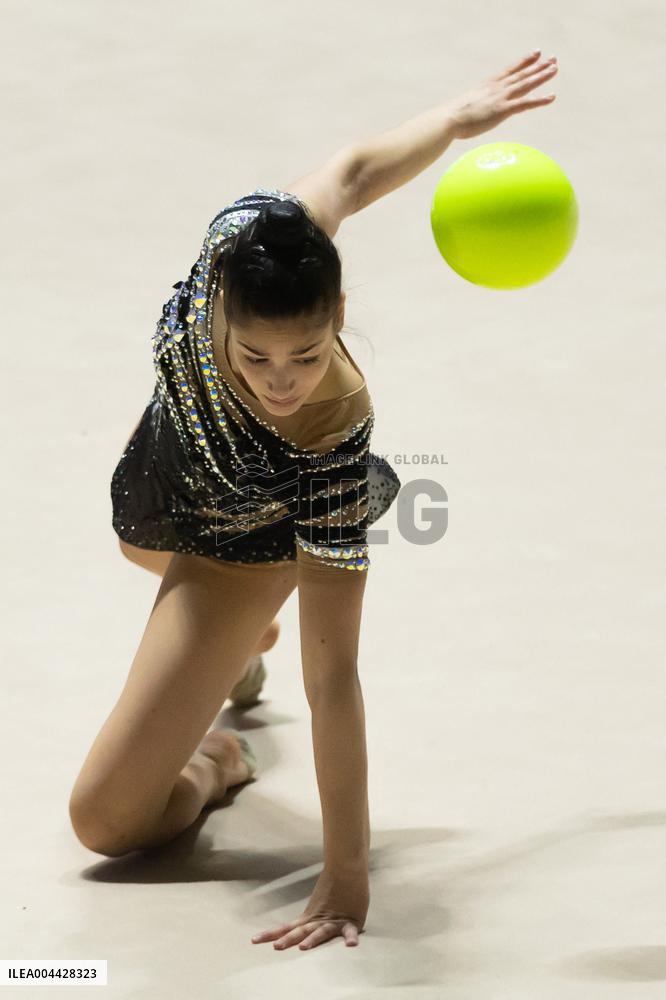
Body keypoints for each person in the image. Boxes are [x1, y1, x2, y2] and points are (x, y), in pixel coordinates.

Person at [68, 48, 559, 952]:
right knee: (137, 551)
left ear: (335, 311)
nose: (281, 383)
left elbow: (334, 678)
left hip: (244, 545)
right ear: (219, 300)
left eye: (306, 354)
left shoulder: (331, 435)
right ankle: (229, 655)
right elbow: (354, 172)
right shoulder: (248, 239)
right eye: (255, 358)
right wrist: (454, 120)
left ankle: (219, 755)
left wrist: (345, 875)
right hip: (165, 473)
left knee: (105, 823)